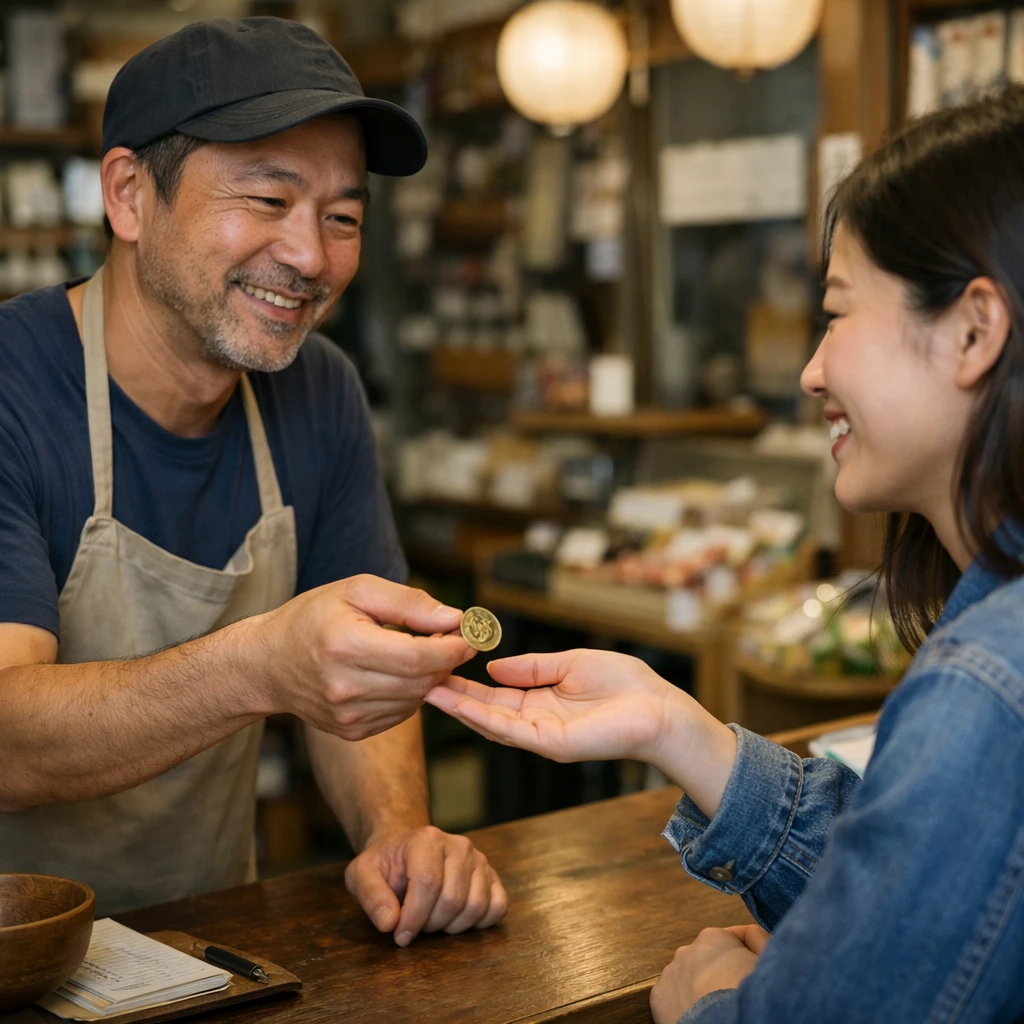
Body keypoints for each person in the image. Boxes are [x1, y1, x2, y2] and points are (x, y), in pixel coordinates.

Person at [426, 86, 1024, 1022]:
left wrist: (710, 1007)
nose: (811, 370)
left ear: (975, 330)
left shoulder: (988, 685)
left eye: (838, 312)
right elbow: (926, 906)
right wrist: (671, 725)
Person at [0, 16, 506, 943]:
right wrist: (261, 663)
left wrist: (396, 832)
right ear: (128, 195)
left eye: (342, 217)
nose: (312, 257)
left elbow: (363, 666)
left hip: (200, 948)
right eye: (268, 199)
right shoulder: (13, 386)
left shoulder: (322, 392)